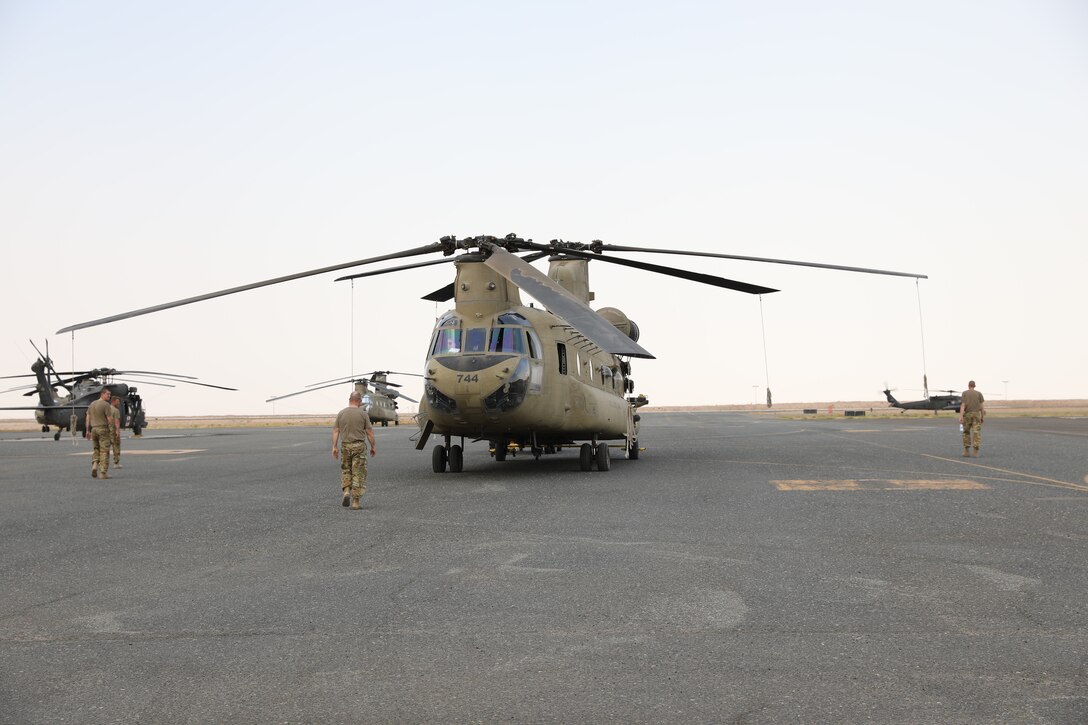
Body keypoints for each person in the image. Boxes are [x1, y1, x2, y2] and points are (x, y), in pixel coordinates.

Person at [332, 391, 376, 510]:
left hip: (345, 445)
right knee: (359, 473)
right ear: (359, 401)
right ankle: (356, 501)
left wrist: (334, 447)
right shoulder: (363, 414)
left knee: (346, 470)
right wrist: (373, 446)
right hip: (359, 447)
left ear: (349, 399)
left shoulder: (341, 413)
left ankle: (346, 491)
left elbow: (336, 431)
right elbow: (369, 432)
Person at [85, 387, 113, 478]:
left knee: (96, 449)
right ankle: (103, 473)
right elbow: (110, 419)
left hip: (94, 429)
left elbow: (88, 418)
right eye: (108, 394)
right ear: (102, 394)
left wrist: (87, 430)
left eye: (110, 394)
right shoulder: (106, 405)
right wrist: (113, 429)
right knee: (104, 451)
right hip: (103, 429)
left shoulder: (92, 404)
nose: (109, 396)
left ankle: (95, 465)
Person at [958, 380, 985, 457]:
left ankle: (966, 451)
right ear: (974, 386)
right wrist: (982, 416)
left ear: (968, 385)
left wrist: (961, 416)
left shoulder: (964, 393)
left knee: (966, 432)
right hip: (976, 415)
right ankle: (975, 452)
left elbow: (963, 405)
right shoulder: (979, 394)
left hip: (967, 415)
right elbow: (982, 407)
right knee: (976, 432)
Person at [109, 395, 123, 469]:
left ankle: (101, 463)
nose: (119, 403)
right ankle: (116, 463)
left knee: (104, 447)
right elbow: (116, 422)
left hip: (106, 431)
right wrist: (117, 431)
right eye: (118, 402)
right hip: (113, 431)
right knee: (116, 446)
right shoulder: (115, 410)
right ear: (113, 401)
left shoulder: (107, 408)